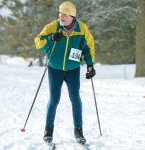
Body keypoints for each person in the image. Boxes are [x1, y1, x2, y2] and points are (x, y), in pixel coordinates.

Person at [34, 1, 95, 144]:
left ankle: (78, 131)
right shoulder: (52, 27)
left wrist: (90, 66)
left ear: (72, 16)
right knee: (54, 99)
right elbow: (38, 43)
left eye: (64, 14)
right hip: (55, 68)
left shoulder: (82, 29)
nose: (61, 16)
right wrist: (51, 38)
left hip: (72, 69)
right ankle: (48, 131)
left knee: (75, 99)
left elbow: (88, 47)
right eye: (60, 13)